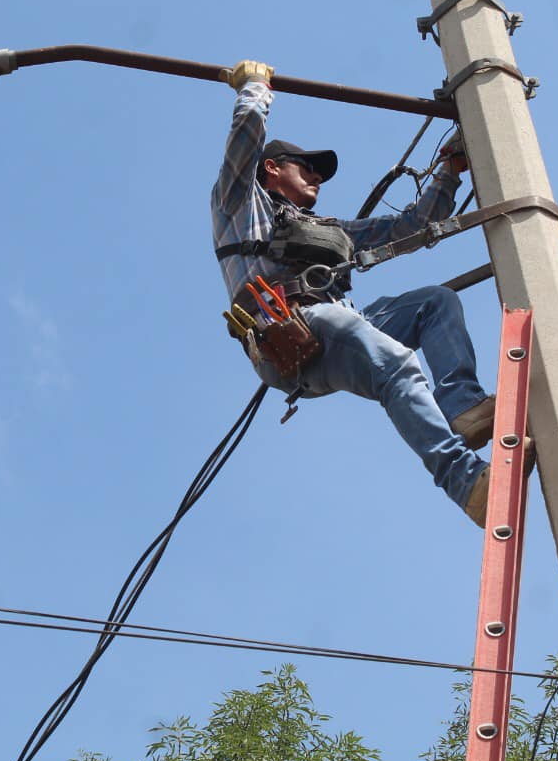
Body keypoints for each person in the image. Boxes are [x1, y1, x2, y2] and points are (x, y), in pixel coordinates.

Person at [210, 59, 498, 525]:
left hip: (330, 320)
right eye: (305, 167)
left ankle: (463, 407)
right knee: (396, 365)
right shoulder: (239, 204)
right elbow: (244, 137)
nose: (316, 177)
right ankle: (465, 482)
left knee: (434, 303)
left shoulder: (325, 229)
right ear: (271, 169)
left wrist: (450, 169)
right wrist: (255, 88)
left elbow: (410, 226)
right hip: (287, 331)